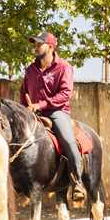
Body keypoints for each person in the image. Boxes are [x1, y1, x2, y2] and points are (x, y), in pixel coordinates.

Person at [20, 32, 86, 202]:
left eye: (39, 44)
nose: (35, 47)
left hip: (57, 112)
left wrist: (40, 104)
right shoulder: (30, 70)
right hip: (33, 112)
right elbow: (23, 92)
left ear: (50, 47)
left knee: (68, 140)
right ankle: (20, 184)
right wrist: (24, 109)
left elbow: (65, 94)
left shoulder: (63, 67)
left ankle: (77, 181)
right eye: (34, 44)